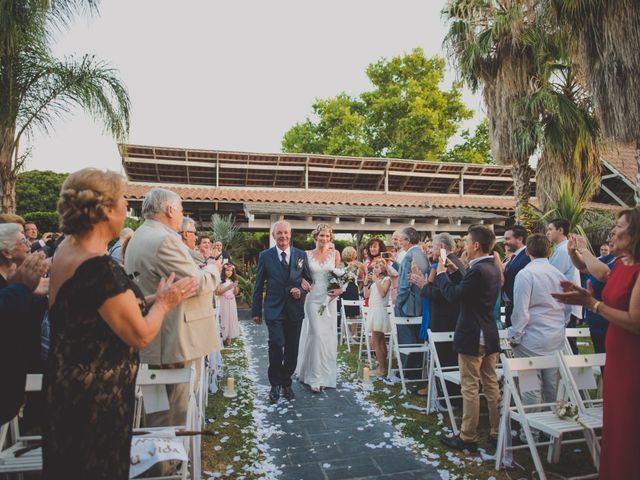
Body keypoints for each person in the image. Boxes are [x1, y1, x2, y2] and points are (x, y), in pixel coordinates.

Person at [43, 169, 197, 479]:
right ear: (106, 210)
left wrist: (154, 298)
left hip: (66, 380)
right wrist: (166, 303)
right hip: (95, 396)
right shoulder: (97, 268)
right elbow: (140, 334)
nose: (128, 208)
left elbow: (102, 308)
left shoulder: (67, 251)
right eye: (122, 200)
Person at [552, 207, 640, 480]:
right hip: (617, 362)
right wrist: (576, 251)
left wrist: (593, 304)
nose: (613, 231)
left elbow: (636, 321)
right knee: (616, 425)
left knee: (630, 426)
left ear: (635, 233)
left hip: (633, 363)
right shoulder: (620, 267)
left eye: (620, 226)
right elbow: (596, 270)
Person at [124, 188, 221, 432]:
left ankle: (157, 461)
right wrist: (213, 269)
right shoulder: (163, 240)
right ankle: (169, 463)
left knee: (155, 408)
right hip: (174, 339)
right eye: (180, 210)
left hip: (153, 337)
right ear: (169, 210)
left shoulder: (139, 236)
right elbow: (194, 283)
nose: (180, 216)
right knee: (174, 412)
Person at [436, 225, 501, 452]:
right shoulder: (492, 267)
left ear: (476, 245)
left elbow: (456, 295)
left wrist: (442, 275)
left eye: (467, 240)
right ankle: (496, 431)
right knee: (491, 384)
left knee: (470, 386)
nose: (465, 244)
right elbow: (469, 289)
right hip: (489, 332)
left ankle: (467, 436)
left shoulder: (478, 270)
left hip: (473, 333)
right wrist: (455, 272)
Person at [509, 234, 570, 440]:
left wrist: (515, 336)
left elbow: (521, 311)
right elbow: (567, 308)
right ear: (550, 251)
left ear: (527, 252)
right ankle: (552, 428)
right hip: (555, 336)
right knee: (552, 384)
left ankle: (531, 431)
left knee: (530, 386)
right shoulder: (559, 274)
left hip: (532, 338)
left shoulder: (526, 274)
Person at [252, 221, 311, 402]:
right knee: (276, 345)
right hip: (274, 309)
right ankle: (275, 384)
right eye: (279, 233)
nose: (283, 236)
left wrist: (300, 291)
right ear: (273, 235)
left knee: (292, 349)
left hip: (294, 310)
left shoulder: (301, 255)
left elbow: (308, 280)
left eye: (286, 233)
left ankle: (287, 382)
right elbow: (259, 284)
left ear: (290, 234)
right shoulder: (265, 256)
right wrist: (256, 311)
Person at [412, 232, 465, 399]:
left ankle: (446, 395)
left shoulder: (448, 264)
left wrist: (424, 286)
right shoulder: (453, 262)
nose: (430, 249)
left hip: (445, 319)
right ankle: (441, 391)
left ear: (442, 247)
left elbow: (444, 294)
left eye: (433, 246)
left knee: (445, 359)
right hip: (448, 318)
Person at [297, 223, 342, 392]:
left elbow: (338, 276)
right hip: (313, 299)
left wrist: (339, 289)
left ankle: (325, 376)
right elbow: (298, 275)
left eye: (327, 236)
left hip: (330, 299)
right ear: (315, 236)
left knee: (327, 337)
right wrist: (302, 281)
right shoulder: (306, 255)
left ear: (331, 238)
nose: (324, 239)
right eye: (322, 235)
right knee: (315, 334)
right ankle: (314, 377)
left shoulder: (335, 254)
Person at [568, 234, 616, 355]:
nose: (609, 239)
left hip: (610, 324)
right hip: (598, 323)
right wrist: (573, 253)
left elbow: (603, 274)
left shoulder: (626, 261)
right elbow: (584, 266)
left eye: (614, 234)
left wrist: (583, 249)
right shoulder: (611, 258)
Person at [394, 227, 429, 371]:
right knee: (418, 339)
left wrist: (398, 303)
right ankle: (418, 367)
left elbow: (403, 285)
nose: (400, 242)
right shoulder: (422, 254)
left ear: (408, 241)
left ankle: (408, 370)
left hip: (408, 305)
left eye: (401, 239)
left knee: (406, 338)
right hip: (421, 302)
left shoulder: (408, 256)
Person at [547, 218, 581, 352]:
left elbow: (552, 276)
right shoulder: (561, 248)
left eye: (550, 229)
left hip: (567, 304)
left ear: (560, 230)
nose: (548, 232)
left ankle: (574, 372)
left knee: (569, 344)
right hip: (567, 302)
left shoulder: (563, 250)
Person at [363, 258, 391, 376]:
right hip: (373, 311)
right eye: (373, 267)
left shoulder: (386, 279)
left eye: (377, 267)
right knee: (380, 341)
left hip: (379, 311)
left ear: (383, 268)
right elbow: (366, 295)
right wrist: (365, 282)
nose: (374, 269)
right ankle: (382, 366)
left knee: (376, 341)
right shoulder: (375, 281)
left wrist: (376, 281)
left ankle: (382, 369)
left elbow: (383, 293)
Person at [502, 225, 530, 327]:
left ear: (520, 239)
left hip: (518, 307)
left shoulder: (526, 256)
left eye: (508, 239)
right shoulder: (515, 256)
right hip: (511, 306)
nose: (504, 242)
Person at [216, 263, 240, 347]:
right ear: (223, 271)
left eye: (231, 271)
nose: (229, 272)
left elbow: (235, 293)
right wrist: (228, 287)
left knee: (231, 318)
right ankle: (223, 336)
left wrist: (235, 287)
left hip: (232, 302)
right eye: (227, 270)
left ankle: (229, 336)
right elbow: (218, 293)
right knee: (224, 317)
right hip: (223, 301)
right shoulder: (220, 281)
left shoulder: (232, 281)